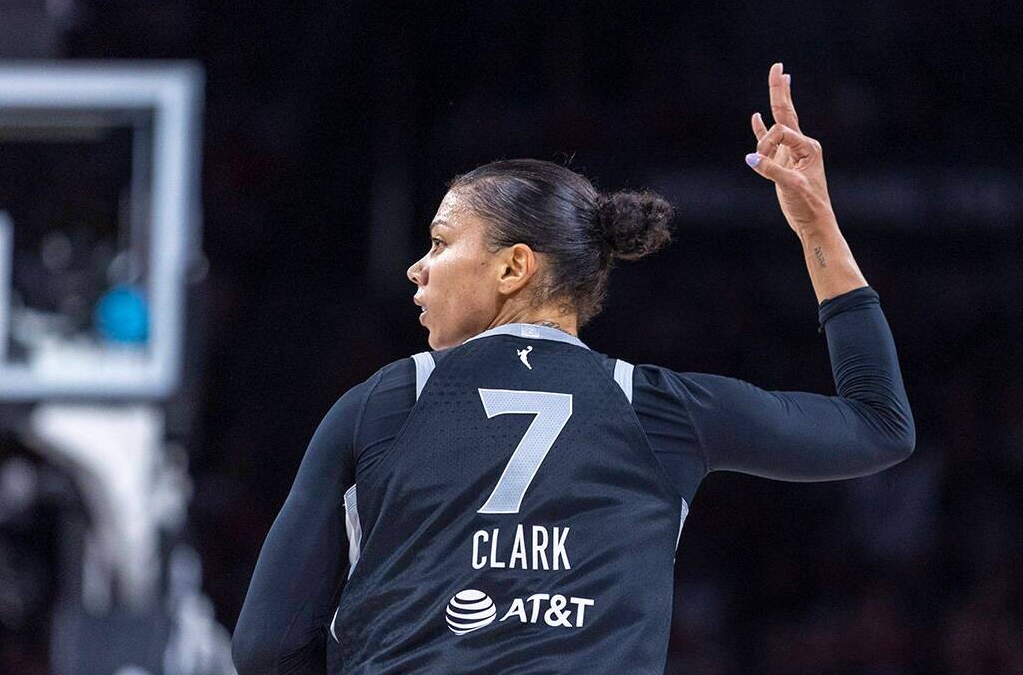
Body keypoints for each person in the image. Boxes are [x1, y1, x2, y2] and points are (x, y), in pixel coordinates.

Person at [231, 63, 915, 674]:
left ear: (513, 267)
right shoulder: (658, 409)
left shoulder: (383, 402)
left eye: (439, 242)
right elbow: (880, 424)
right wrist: (817, 225)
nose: (418, 268)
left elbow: (266, 647)